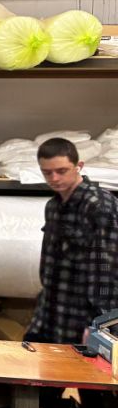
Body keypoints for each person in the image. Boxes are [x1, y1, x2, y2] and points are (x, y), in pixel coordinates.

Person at [25, 137, 118, 345]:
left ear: (79, 166)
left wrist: (100, 326)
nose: (54, 178)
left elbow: (107, 270)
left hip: (84, 317)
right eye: (47, 172)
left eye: (61, 171)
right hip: (53, 312)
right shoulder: (53, 206)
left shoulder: (99, 205)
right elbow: (50, 268)